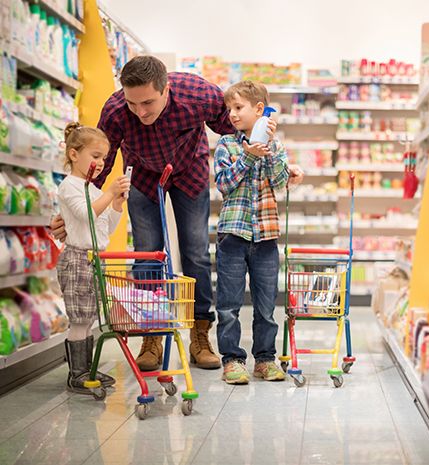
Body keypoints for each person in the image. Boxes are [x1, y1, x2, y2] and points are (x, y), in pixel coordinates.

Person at [50, 55, 305, 372]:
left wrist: (270, 146)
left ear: (166, 88)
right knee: (146, 254)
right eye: (133, 103)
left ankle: (200, 334)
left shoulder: (198, 94)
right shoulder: (116, 111)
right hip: (143, 178)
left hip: (190, 175)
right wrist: (77, 211)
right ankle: (151, 336)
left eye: (148, 102)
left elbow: (237, 129)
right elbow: (97, 167)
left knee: (195, 252)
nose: (140, 112)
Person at [214, 81, 288, 384]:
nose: (232, 114)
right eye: (229, 108)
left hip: (267, 236)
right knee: (229, 304)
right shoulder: (226, 145)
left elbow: (280, 180)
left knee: (266, 306)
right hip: (233, 235)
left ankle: (265, 359)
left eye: (238, 108)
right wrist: (247, 156)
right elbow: (224, 184)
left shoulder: (277, 146)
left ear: (260, 110)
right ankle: (232, 360)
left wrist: (266, 151)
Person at [57, 122, 131, 393]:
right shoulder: (70, 186)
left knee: (88, 318)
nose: (100, 163)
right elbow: (84, 214)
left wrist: (117, 204)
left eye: (103, 158)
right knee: (79, 318)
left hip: (94, 259)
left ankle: (86, 369)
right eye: (95, 156)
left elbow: (104, 228)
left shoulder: (93, 188)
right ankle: (77, 374)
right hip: (77, 259)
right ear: (74, 155)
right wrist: (109, 193)